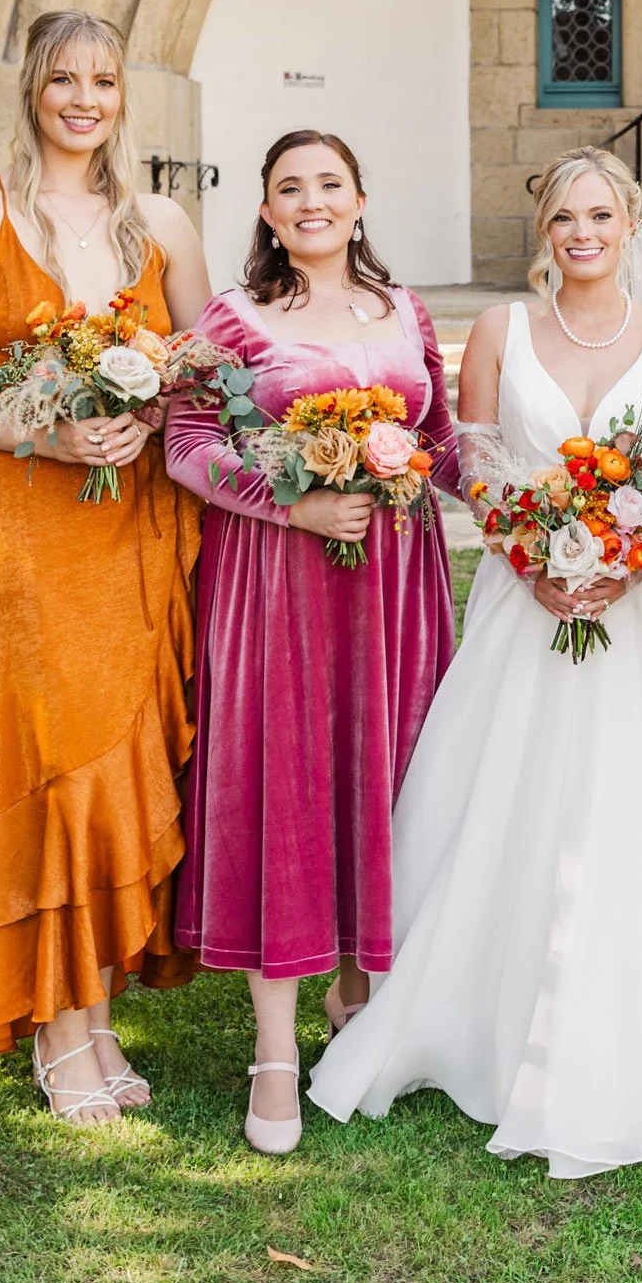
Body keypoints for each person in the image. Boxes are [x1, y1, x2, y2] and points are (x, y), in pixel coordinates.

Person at [310, 146, 642, 1177]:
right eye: (563, 216)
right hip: (525, 603)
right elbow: (467, 467)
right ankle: (468, 1014)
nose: (581, 233)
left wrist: (624, 561)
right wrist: (538, 555)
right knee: (504, 799)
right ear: (544, 230)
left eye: (599, 214)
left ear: (631, 222)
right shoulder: (500, 332)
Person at [0, 9, 210, 1122]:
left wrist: (155, 414)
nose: (83, 97)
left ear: (125, 95)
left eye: (104, 79)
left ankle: (98, 1010)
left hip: (141, 524)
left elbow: (207, 377)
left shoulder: (159, 219)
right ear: (33, 87)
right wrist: (41, 430)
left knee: (127, 760)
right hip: (33, 527)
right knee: (53, 755)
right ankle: (57, 1025)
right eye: (63, 78)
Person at [163, 130, 458, 1155]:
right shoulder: (233, 320)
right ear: (267, 213)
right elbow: (189, 446)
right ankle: (273, 1050)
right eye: (290, 188)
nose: (312, 201)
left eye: (329, 183)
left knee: (388, 777)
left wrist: (552, 508)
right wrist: (292, 509)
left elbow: (444, 445)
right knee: (284, 788)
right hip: (278, 583)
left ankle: (359, 1000)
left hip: (397, 586)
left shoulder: (403, 309)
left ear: (361, 198)